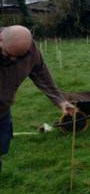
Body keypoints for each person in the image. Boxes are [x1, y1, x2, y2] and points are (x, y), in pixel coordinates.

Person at [0, 25, 77, 172]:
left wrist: (60, 100)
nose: (14, 59)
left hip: (2, 113)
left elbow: (40, 73)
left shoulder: (30, 50)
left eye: (19, 56)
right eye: (9, 55)